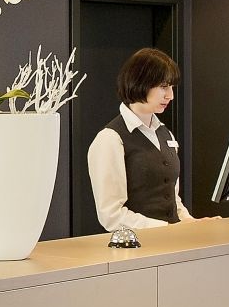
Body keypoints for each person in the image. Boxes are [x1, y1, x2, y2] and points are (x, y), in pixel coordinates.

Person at [86, 47, 208, 230]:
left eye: (172, 87)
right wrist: (166, 229)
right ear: (140, 82)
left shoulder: (166, 134)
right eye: (164, 86)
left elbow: (173, 199)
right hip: (137, 244)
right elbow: (111, 216)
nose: (170, 96)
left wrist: (190, 222)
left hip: (172, 240)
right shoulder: (110, 139)